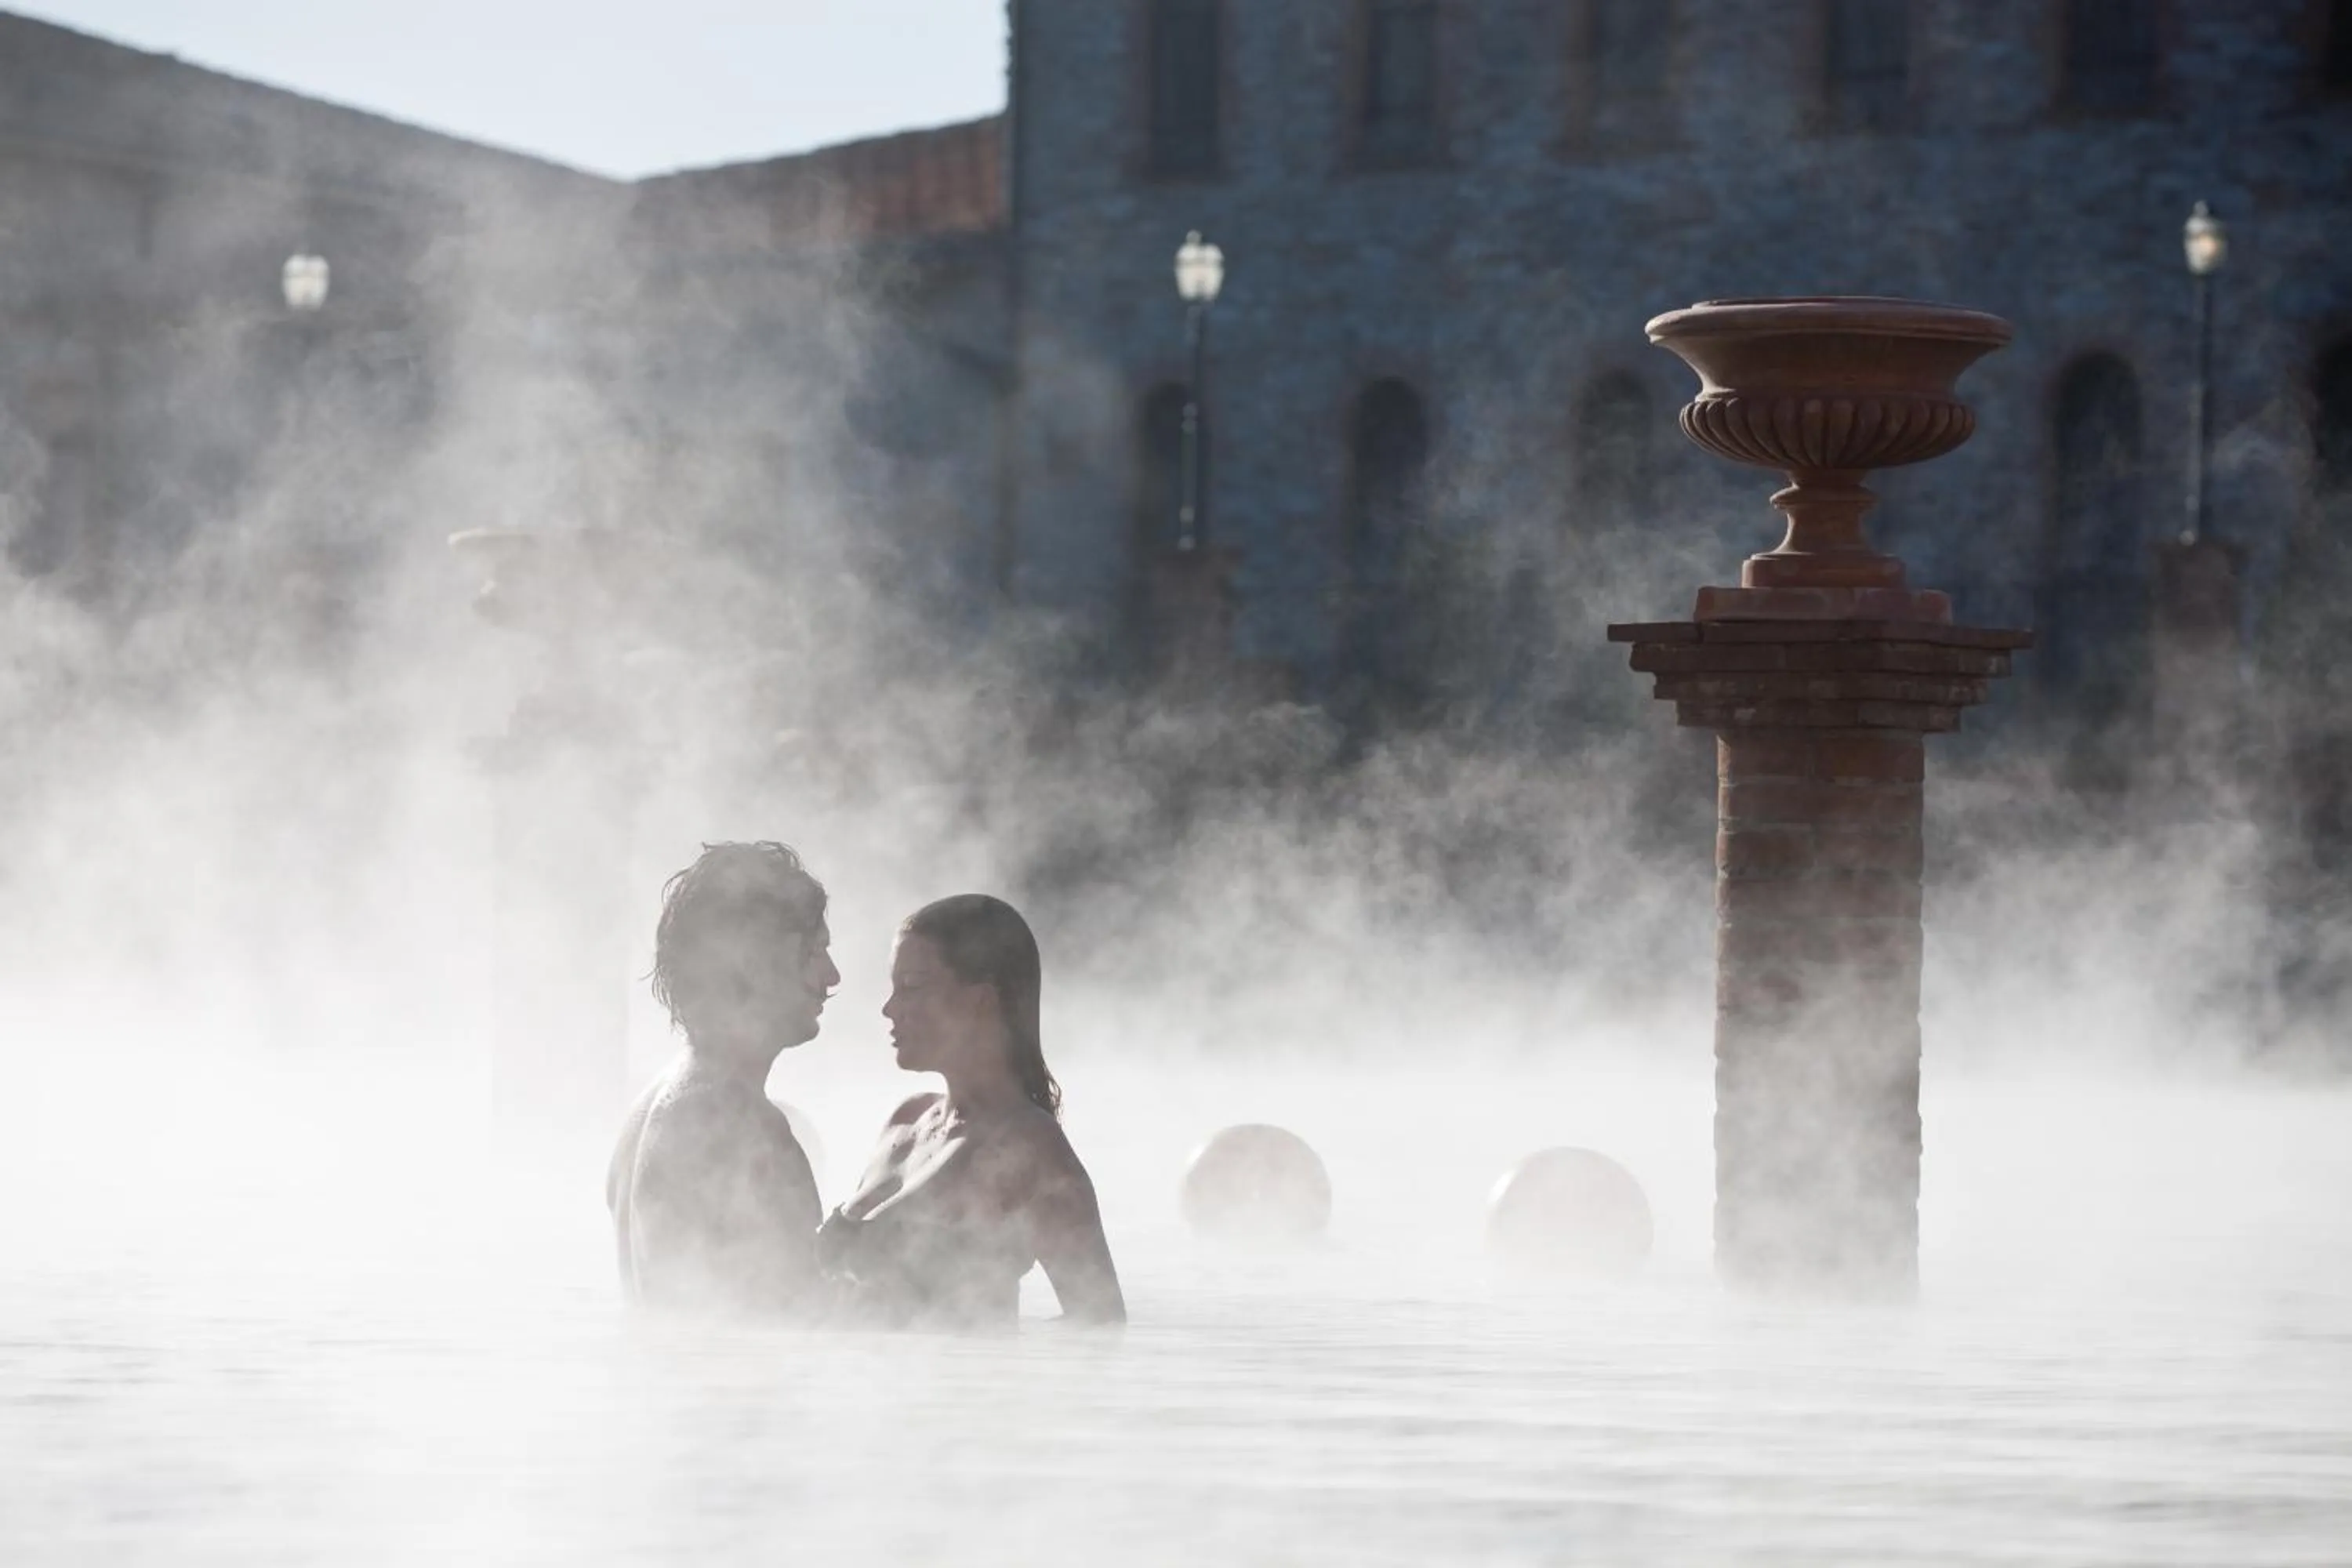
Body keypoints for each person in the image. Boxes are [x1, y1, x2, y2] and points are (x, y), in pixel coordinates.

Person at [818, 895, 1124, 1328]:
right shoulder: (905, 1122)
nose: (890, 1009)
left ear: (981, 1001)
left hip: (950, 1393)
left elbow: (1102, 1325)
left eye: (912, 987)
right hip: (861, 1388)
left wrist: (993, 1362)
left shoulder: (1028, 1146)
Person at [607, 841, 839, 1316]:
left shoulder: (647, 1113)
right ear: (753, 959)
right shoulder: (744, 1125)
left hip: (670, 1384)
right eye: (814, 952)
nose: (832, 976)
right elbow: (805, 1325)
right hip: (734, 1390)